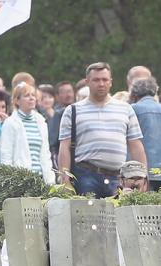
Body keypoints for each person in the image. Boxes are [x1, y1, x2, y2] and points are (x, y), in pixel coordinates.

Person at [58, 62, 146, 197]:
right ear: (87, 82)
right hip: (85, 175)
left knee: (118, 216)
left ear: (111, 82)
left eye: (105, 80)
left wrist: (142, 177)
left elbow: (136, 145)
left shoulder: (126, 109)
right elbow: (64, 146)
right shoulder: (73, 110)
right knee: (87, 217)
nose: (101, 84)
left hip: (118, 177)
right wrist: (64, 180)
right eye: (96, 80)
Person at [0, 83, 55, 184]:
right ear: (17, 100)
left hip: (42, 180)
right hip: (20, 181)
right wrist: (9, 181)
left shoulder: (41, 122)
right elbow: (6, 155)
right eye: (26, 96)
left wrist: (50, 179)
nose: (31, 98)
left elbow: (46, 153)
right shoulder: (10, 123)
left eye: (33, 95)